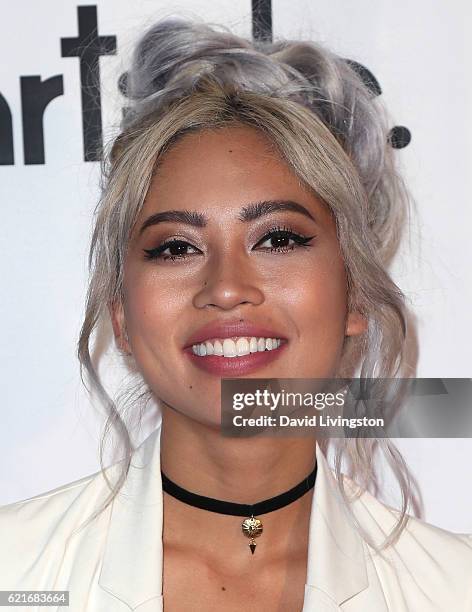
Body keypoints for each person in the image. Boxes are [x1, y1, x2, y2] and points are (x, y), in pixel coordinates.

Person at [1, 17, 471, 612]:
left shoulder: (456, 588)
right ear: (121, 314)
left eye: (277, 239)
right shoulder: (13, 573)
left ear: (355, 294)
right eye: (175, 247)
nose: (226, 288)